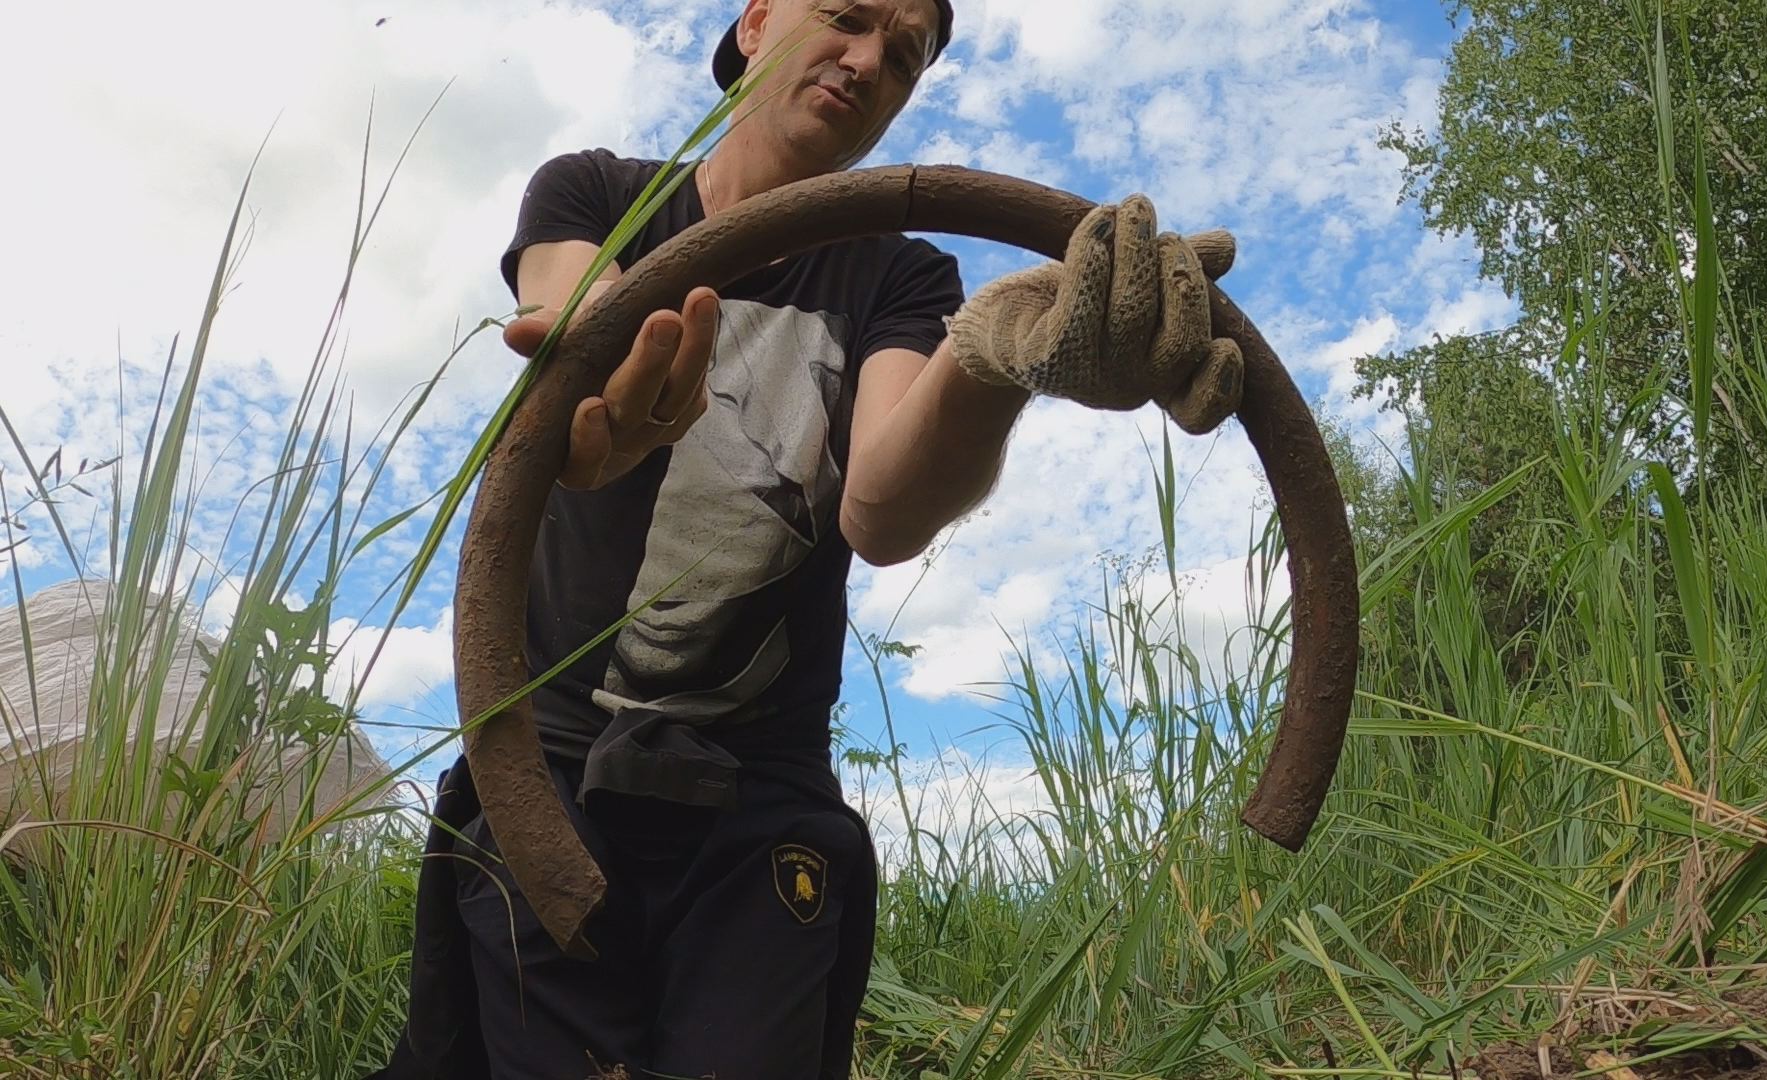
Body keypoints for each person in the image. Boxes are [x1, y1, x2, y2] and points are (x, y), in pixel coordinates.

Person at [373, 1, 1242, 1076]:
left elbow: (881, 507)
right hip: (544, 771)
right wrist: (589, 383)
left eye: (907, 53)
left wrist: (994, 363)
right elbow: (572, 307)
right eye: (846, 15)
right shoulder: (594, 190)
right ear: (753, 23)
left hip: (757, 801)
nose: (872, 57)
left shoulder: (900, 279)